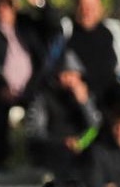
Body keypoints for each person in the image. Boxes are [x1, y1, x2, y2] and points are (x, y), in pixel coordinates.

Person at [0, 0, 61, 170]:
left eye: (9, 3)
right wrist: (1, 85)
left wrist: (37, 2)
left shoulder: (27, 24)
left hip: (32, 88)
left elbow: (55, 26)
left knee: (44, 108)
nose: (3, 8)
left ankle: (40, 158)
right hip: (0, 88)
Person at [24, 49, 101, 179]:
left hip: (80, 145)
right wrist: (62, 142)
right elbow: (35, 131)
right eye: (66, 75)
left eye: (74, 75)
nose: (70, 80)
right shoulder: (43, 98)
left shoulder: (86, 97)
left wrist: (85, 104)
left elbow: (95, 128)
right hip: (53, 147)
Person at [60, 0, 120, 111]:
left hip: (109, 94)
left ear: (101, 9)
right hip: (76, 95)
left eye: (92, 7)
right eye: (83, 6)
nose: (87, 11)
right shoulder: (66, 30)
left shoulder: (111, 30)